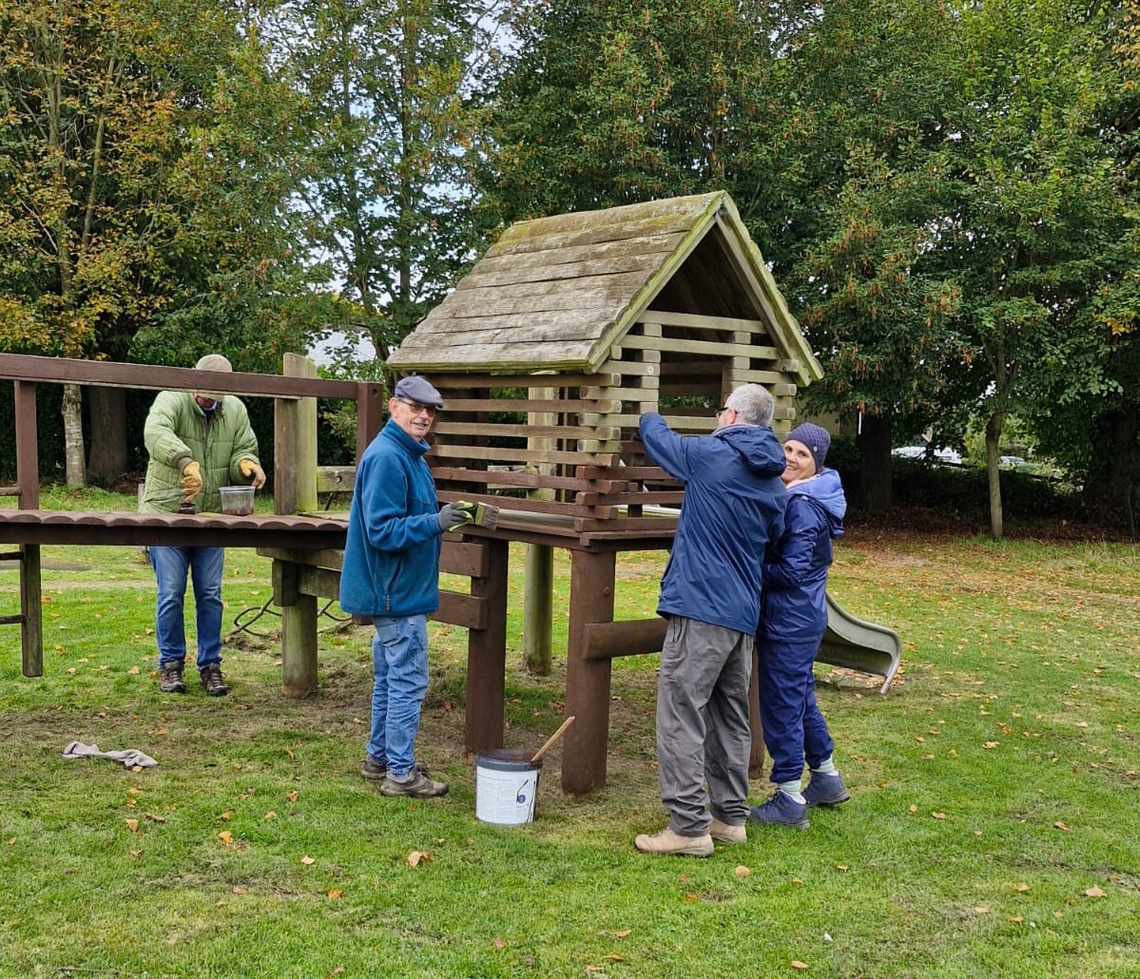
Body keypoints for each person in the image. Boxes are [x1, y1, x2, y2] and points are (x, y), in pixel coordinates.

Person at [634, 384, 787, 856]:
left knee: (680, 712)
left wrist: (646, 412)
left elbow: (659, 440)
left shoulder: (709, 455)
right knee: (729, 715)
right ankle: (729, 818)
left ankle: (688, 827)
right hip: (742, 616)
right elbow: (775, 537)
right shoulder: (774, 481)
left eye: (722, 410)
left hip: (700, 608)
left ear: (732, 415)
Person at [339, 375, 474, 799]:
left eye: (430, 410)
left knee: (389, 677)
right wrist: (436, 521)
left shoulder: (410, 456)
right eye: (416, 407)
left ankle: (379, 758)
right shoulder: (387, 457)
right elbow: (382, 531)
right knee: (408, 680)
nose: (424, 415)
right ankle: (400, 773)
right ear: (394, 407)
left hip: (400, 590)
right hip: (395, 594)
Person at [140, 353, 266, 697]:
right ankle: (170, 665)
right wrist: (184, 460)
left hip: (211, 517)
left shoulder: (235, 409)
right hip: (166, 514)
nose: (209, 395)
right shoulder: (171, 398)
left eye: (217, 390)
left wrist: (247, 464)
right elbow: (155, 432)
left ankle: (210, 665)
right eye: (204, 388)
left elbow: (244, 446)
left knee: (210, 594)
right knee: (170, 593)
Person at [750, 422, 850, 830]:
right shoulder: (801, 495)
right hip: (801, 617)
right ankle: (825, 777)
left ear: (815, 464)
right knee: (801, 695)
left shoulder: (804, 506)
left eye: (802, 454)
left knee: (782, 704)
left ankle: (789, 797)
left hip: (788, 622)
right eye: (788, 448)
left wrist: (751, 567)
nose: (791, 457)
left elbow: (791, 571)